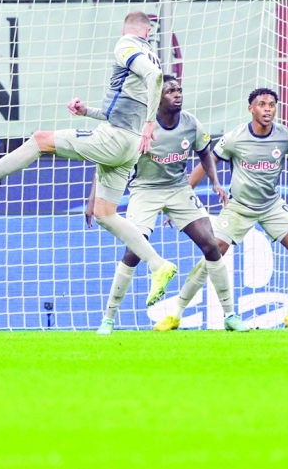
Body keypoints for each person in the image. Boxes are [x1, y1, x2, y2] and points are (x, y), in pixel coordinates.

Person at [0, 12, 180, 308]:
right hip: (128, 145)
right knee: (106, 214)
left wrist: (150, 123)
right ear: (148, 31)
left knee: (40, 139)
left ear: (128, 30)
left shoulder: (126, 44)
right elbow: (124, 107)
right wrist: (87, 111)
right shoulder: (151, 54)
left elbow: (155, 77)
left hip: (116, 138)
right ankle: (158, 264)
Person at [87, 75, 249, 335]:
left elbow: (205, 153)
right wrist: (93, 199)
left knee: (211, 245)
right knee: (133, 251)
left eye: (179, 90)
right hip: (145, 190)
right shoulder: (140, 125)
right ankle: (108, 319)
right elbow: (107, 159)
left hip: (178, 189)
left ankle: (230, 315)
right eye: (170, 91)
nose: (177, 94)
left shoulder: (191, 124)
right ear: (157, 98)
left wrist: (216, 182)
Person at [159, 87, 288, 332]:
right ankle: (175, 315)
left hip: (271, 206)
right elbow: (206, 163)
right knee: (212, 253)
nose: (268, 109)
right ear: (251, 109)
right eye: (262, 104)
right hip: (238, 207)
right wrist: (182, 198)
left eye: (271, 105)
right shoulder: (235, 137)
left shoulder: (286, 137)